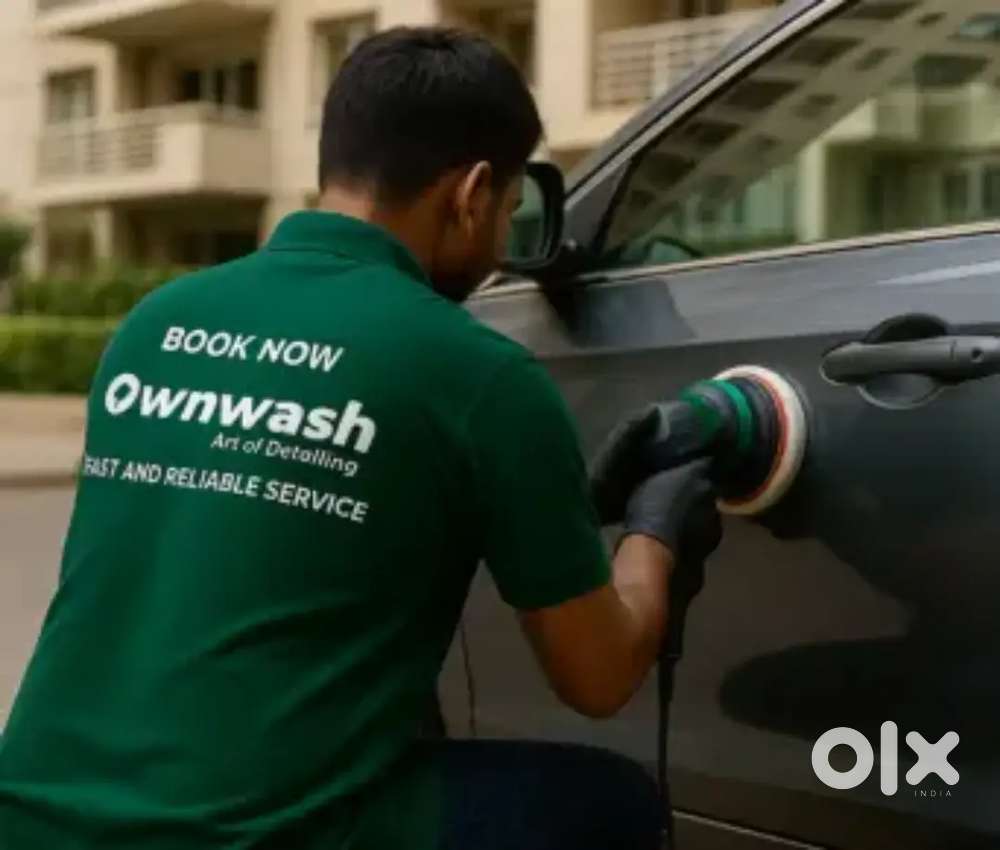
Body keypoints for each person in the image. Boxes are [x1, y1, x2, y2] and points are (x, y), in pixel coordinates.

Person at [0, 27, 721, 850]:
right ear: (471, 193)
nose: (502, 243)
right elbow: (598, 675)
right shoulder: (477, 372)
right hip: (247, 839)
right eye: (510, 208)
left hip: (31, 820)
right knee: (613, 805)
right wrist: (655, 528)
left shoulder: (155, 323)